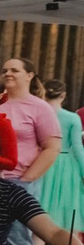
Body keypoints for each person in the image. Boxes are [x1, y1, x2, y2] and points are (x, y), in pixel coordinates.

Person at [0, 59, 63, 237]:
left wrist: (26, 180)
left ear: (29, 76)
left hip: (18, 181)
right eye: (4, 70)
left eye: (14, 70)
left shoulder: (40, 108)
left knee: (16, 238)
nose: (8, 74)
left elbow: (52, 148)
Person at [37, 80, 84, 233]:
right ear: (63, 95)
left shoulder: (39, 113)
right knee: (68, 209)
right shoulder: (72, 117)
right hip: (66, 166)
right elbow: (77, 148)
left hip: (41, 162)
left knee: (40, 207)